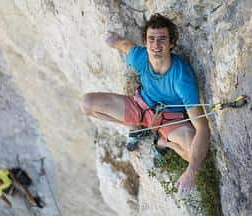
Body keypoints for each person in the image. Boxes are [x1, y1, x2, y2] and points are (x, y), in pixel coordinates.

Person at [81, 13, 210, 195]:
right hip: (140, 107)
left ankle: (166, 143)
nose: (156, 45)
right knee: (87, 104)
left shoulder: (181, 77)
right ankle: (139, 127)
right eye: (151, 39)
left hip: (170, 120)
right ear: (145, 42)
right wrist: (113, 40)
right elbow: (125, 46)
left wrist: (191, 172)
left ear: (171, 43)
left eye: (162, 39)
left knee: (193, 155)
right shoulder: (141, 57)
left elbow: (202, 127)